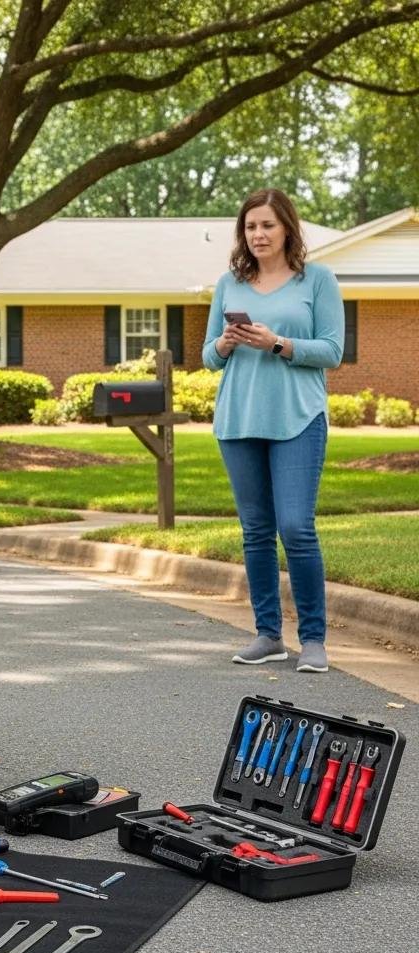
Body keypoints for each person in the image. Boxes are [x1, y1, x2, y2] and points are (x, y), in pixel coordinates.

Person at [202, 188, 344, 673]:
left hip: (298, 419)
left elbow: (332, 351)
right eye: (250, 227)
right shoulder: (229, 283)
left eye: (267, 225)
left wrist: (277, 342)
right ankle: (268, 636)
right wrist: (226, 342)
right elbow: (208, 357)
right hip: (239, 420)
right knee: (256, 531)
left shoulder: (317, 280)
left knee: (297, 528)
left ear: (287, 228)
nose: (258, 234)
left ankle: (314, 640)